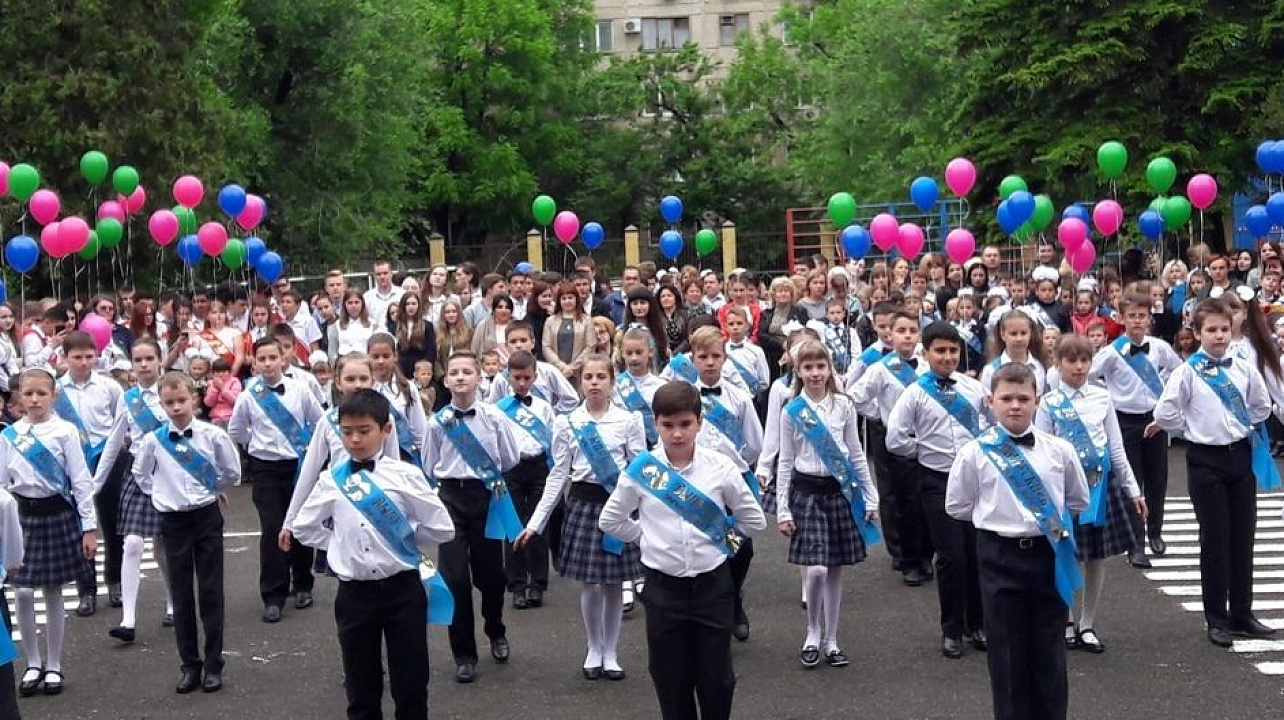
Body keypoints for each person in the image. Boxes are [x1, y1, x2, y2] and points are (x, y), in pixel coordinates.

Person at [598, 381, 764, 720]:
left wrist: (724, 537)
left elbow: (753, 519)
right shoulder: (642, 471)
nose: (677, 433)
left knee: (716, 680)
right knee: (671, 681)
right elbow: (610, 520)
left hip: (713, 587)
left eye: (686, 424)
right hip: (663, 589)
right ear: (656, 424)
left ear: (699, 423)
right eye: (668, 425)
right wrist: (645, 537)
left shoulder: (720, 466)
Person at [293, 389, 455, 720]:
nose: (355, 440)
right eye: (347, 432)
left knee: (410, 685)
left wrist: (403, 541)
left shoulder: (405, 475)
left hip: (402, 589)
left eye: (364, 431)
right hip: (354, 594)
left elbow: (442, 527)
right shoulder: (331, 480)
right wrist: (339, 545)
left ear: (386, 429)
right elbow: (304, 528)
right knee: (360, 688)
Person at [946, 362, 1089, 720]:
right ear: (991, 401)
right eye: (1006, 398)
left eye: (1023, 398)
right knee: (1007, 654)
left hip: (1048, 554)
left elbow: (1078, 499)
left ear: (1037, 401)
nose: (1015, 405)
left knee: (1049, 650)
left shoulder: (1059, 450)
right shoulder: (974, 453)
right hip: (999, 555)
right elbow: (958, 505)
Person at [1155, 298, 1276, 647]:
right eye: (1211, 330)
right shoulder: (1187, 372)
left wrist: (1241, 426)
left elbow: (1261, 405)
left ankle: (1242, 613)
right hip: (1205, 459)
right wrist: (1189, 429)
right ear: (1196, 333)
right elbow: (1165, 414)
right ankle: (1216, 617)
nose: (1219, 336)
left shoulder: (1243, 367)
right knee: (1215, 538)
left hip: (1240, 456)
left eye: (1224, 329)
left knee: (1243, 536)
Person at [515, 354, 645, 680]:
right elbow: (558, 475)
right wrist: (535, 523)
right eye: (589, 377)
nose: (595, 382)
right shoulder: (566, 422)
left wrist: (644, 514)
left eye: (602, 376)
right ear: (580, 382)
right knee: (590, 584)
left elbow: (640, 472)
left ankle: (612, 651)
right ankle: (594, 646)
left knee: (614, 584)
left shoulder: (628, 421)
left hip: (616, 505)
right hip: (583, 506)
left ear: (612, 381)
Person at [131, 371, 239, 693]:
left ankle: (213, 663)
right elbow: (141, 474)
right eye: (169, 402)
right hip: (173, 520)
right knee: (180, 593)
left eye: (181, 400)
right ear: (162, 405)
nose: (176, 407)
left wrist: (212, 487)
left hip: (206, 516)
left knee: (210, 591)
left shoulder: (212, 435)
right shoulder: (154, 440)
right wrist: (162, 494)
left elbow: (232, 471)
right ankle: (189, 665)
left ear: (193, 398)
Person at [774, 340, 879, 669]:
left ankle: (832, 639)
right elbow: (785, 461)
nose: (816, 373)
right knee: (816, 568)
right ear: (798, 371)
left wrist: (870, 495)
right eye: (808, 367)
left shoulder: (844, 406)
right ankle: (812, 630)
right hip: (806, 495)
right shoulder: (791, 411)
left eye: (821, 366)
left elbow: (856, 453)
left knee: (834, 571)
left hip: (839, 493)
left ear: (829, 369)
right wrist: (782, 509)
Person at [885, 321, 988, 658]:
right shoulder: (914, 392)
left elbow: (991, 423)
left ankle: (978, 624)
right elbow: (895, 438)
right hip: (936, 481)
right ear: (926, 353)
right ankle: (952, 629)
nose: (947, 357)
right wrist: (923, 451)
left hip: (974, 481)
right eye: (940, 351)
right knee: (951, 556)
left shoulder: (972, 389)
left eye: (953, 351)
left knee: (976, 554)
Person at [1038, 335, 1145, 653]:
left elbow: (1115, 446)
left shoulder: (1102, 397)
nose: (1079, 366)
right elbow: (1042, 448)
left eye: (1084, 360)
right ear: (1059, 364)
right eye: (1071, 360)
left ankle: (1088, 623)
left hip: (1100, 486)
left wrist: (1133, 489)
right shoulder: (1049, 402)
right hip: (1065, 490)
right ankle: (1068, 621)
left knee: (1097, 557)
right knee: (1066, 553)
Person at [421, 351, 521, 683]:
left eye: (467, 371)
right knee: (455, 580)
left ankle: (495, 628)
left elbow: (510, 456)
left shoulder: (494, 417)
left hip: (487, 498)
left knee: (492, 577)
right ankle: (463, 654)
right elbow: (428, 464)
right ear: (446, 380)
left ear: (479, 378)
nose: (461, 377)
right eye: (455, 372)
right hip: (451, 499)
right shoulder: (437, 422)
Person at [3, 368, 98, 697]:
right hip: (20, 518)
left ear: (53, 395)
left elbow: (81, 481)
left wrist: (89, 527)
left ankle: (54, 665)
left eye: (41, 393)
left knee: (53, 591)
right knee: (22, 592)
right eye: (27, 393)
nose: (34, 399)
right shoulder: (9, 435)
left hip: (56, 514)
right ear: (19, 396)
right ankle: (32, 662)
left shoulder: (65, 431)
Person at [229, 337, 325, 623]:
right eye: (262, 359)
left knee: (299, 523)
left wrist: (306, 449)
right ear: (255, 363)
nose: (268, 363)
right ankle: (273, 594)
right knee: (272, 528)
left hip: (298, 465)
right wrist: (256, 447)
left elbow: (318, 422)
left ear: (284, 358)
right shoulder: (248, 396)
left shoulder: (300, 389)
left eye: (273, 357)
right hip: (266, 468)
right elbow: (237, 430)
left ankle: (303, 583)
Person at [1087, 291, 1180, 569]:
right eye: (1132, 316)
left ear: (1149, 318)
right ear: (1122, 319)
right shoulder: (1111, 352)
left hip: (1154, 420)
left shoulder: (1160, 347)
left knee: (1157, 479)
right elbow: (1090, 376)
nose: (1137, 321)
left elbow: (1177, 372)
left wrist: (1163, 398)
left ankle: (1155, 532)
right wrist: (1109, 396)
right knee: (1132, 481)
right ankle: (1135, 544)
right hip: (1124, 421)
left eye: (1142, 316)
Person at [685, 326, 763, 640]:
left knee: (740, 547)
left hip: (733, 479)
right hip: (698, 480)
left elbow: (754, 443)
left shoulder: (739, 396)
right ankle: (710, 608)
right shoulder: (685, 397)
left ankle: (733, 599)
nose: (709, 362)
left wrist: (733, 465)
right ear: (692, 359)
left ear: (725, 358)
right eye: (703, 357)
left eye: (715, 356)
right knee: (703, 543)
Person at [96, 339, 177, 639]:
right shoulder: (128, 399)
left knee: (163, 547)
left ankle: (173, 602)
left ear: (160, 360)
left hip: (168, 475)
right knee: (131, 542)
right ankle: (128, 620)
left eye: (149, 358)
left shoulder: (171, 393)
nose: (143, 365)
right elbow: (115, 442)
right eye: (138, 359)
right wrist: (96, 483)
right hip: (137, 474)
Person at [851, 311, 930, 584]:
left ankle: (924, 555)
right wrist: (879, 414)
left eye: (912, 330)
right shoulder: (881, 369)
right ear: (890, 336)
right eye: (901, 331)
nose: (907, 336)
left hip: (926, 441)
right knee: (904, 501)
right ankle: (907, 559)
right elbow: (857, 396)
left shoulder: (926, 368)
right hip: (897, 440)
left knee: (926, 500)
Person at [55, 331, 124, 617]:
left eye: (88, 356)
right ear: (65, 358)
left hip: (108, 459)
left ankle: (116, 580)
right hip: (74, 463)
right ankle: (86, 589)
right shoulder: (57, 391)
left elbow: (120, 424)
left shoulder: (109, 387)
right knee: (83, 525)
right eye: (77, 357)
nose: (84, 362)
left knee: (113, 523)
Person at [496, 351, 556, 610]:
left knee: (538, 525)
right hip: (512, 468)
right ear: (508, 377)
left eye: (527, 377)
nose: (522, 383)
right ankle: (517, 584)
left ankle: (538, 583)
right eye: (517, 377)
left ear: (535, 376)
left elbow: (553, 439)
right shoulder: (500, 409)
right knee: (514, 525)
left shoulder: (543, 407)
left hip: (539, 466)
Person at [367, 333, 429, 469]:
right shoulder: (364, 387)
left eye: (386, 356)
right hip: (371, 455)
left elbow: (419, 427)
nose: (381, 361)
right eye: (375, 357)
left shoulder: (407, 387)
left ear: (395, 356)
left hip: (404, 455)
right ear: (368, 358)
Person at [487, 322, 579, 412]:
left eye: (523, 340)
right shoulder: (501, 379)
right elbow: (492, 408)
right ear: (506, 345)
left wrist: (552, 414)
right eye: (513, 342)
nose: (518, 345)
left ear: (532, 343)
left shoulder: (548, 371)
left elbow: (571, 398)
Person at [614, 328, 665, 448]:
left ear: (650, 352)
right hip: (622, 446)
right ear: (622, 353)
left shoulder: (661, 386)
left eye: (639, 352)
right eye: (629, 353)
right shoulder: (614, 387)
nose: (634, 358)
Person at [980, 310, 1049, 396]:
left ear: (1030, 334)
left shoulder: (1038, 368)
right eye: (1013, 334)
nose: (1019, 339)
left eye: (1023, 333)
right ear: (1003, 334)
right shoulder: (991, 371)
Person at [543, 281, 594, 379]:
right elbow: (546, 347)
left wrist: (572, 367)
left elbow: (590, 346)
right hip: (557, 372)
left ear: (576, 299)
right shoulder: (550, 321)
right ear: (559, 301)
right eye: (564, 298)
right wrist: (562, 367)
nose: (567, 301)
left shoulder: (586, 320)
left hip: (579, 372)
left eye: (570, 297)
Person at [724, 307, 769, 398]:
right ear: (726, 327)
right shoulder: (721, 351)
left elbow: (764, 381)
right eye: (731, 324)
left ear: (747, 326)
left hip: (752, 399)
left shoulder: (756, 351)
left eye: (739, 323)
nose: (735, 327)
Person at [391, 292, 437, 379]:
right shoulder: (395, 326)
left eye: (414, 304)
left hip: (420, 369)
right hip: (401, 369)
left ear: (418, 306)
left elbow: (431, 351)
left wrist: (424, 370)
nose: (411, 307)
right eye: (407, 304)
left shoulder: (427, 326)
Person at [328, 289, 375, 361]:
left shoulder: (372, 324)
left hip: (365, 363)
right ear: (344, 304)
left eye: (356, 302)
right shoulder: (337, 325)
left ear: (362, 303)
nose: (353, 306)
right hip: (344, 364)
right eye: (350, 303)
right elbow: (332, 351)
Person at [364, 261, 405, 332]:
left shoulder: (402, 295)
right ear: (374, 276)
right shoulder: (367, 297)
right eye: (378, 274)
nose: (382, 277)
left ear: (391, 274)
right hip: (375, 339)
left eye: (385, 273)